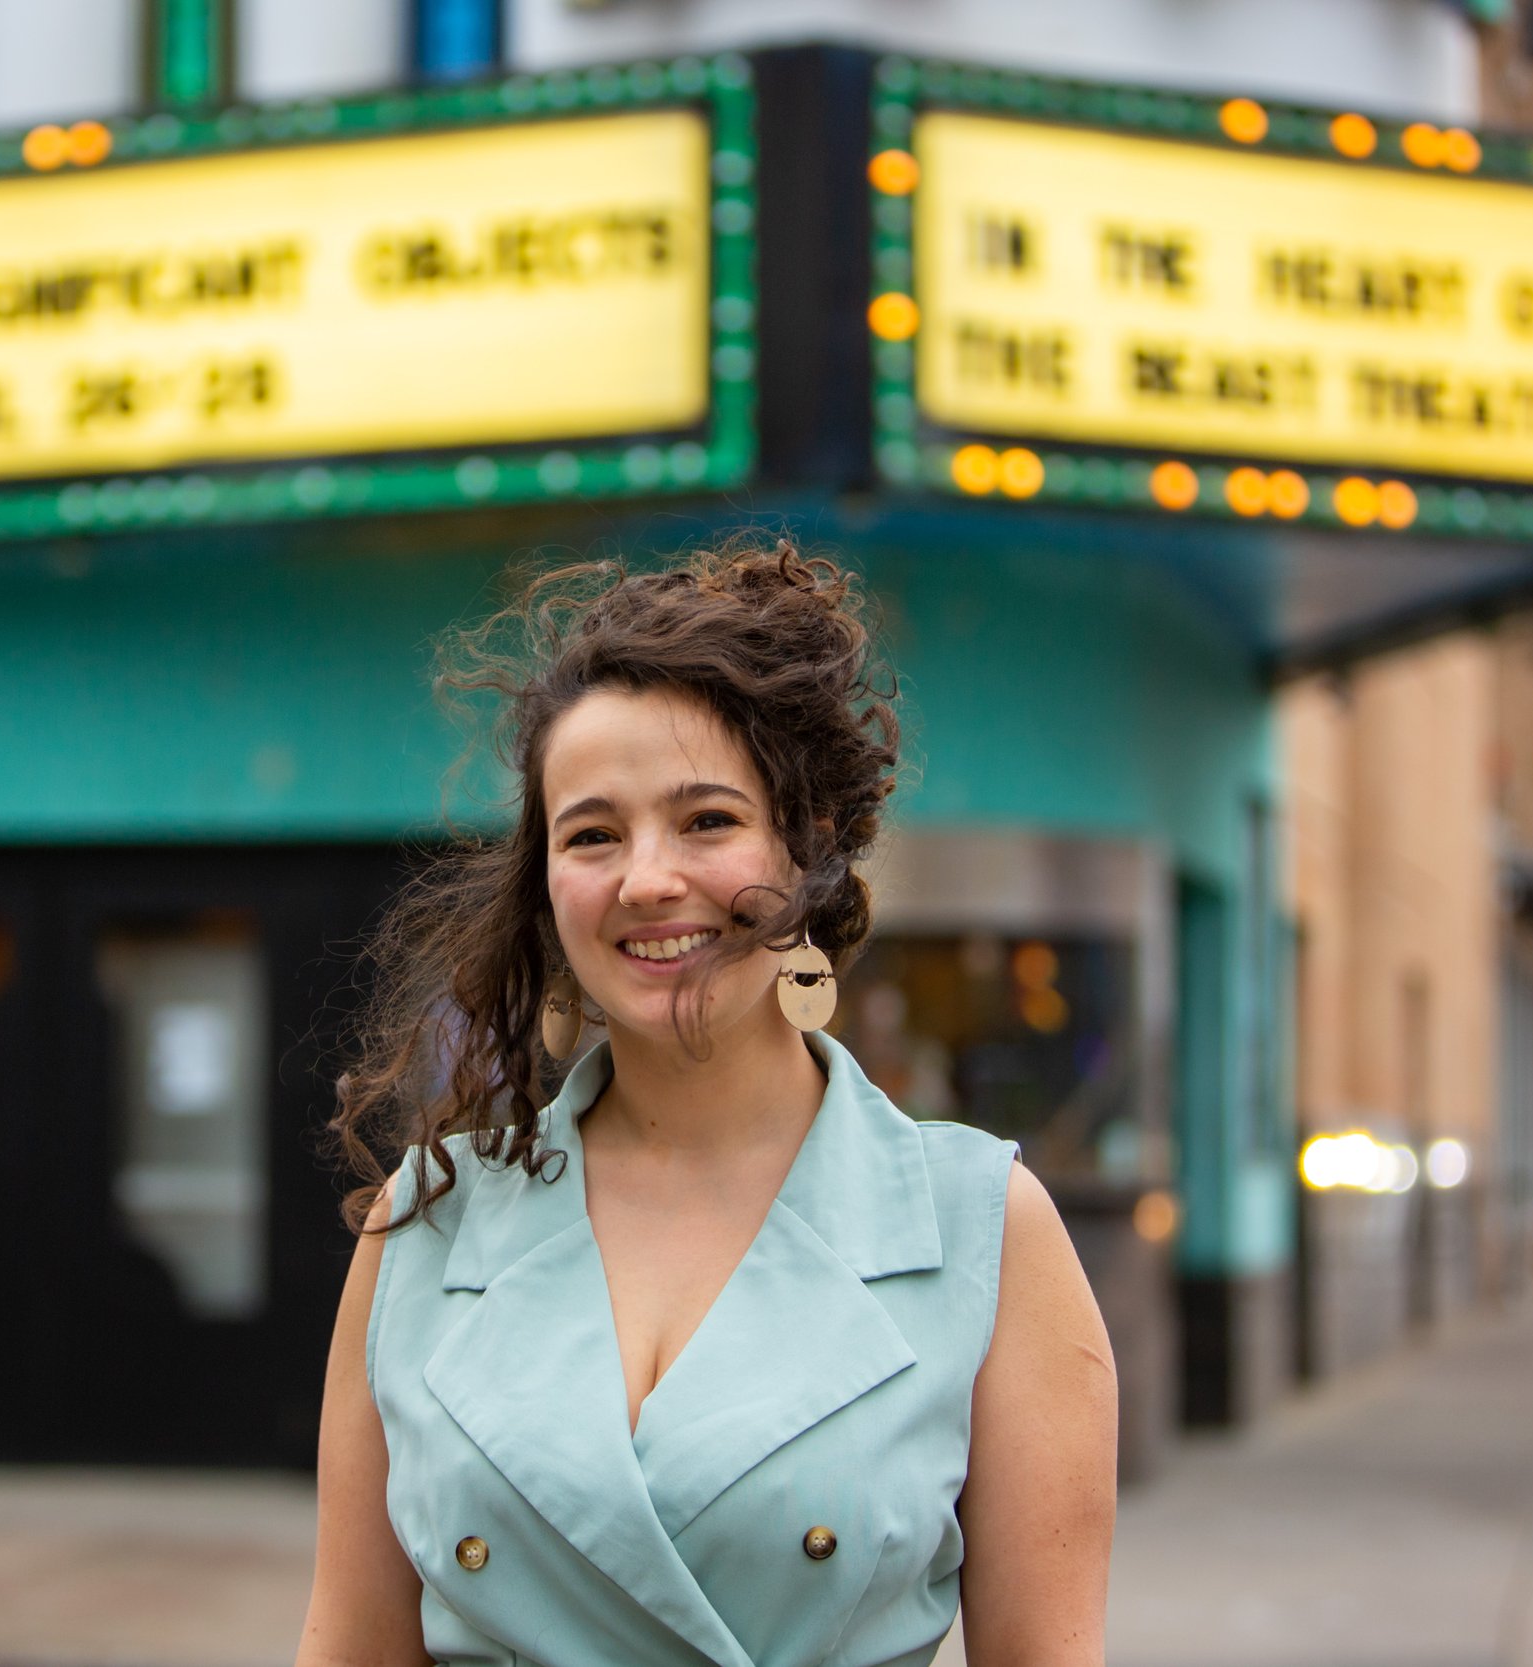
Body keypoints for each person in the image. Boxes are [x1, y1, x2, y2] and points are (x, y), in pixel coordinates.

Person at [299, 542, 1117, 1667]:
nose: (645, 879)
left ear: (810, 849)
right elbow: (346, 1647)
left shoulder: (982, 1226)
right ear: (545, 882)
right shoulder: (425, 1222)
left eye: (707, 820)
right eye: (592, 833)